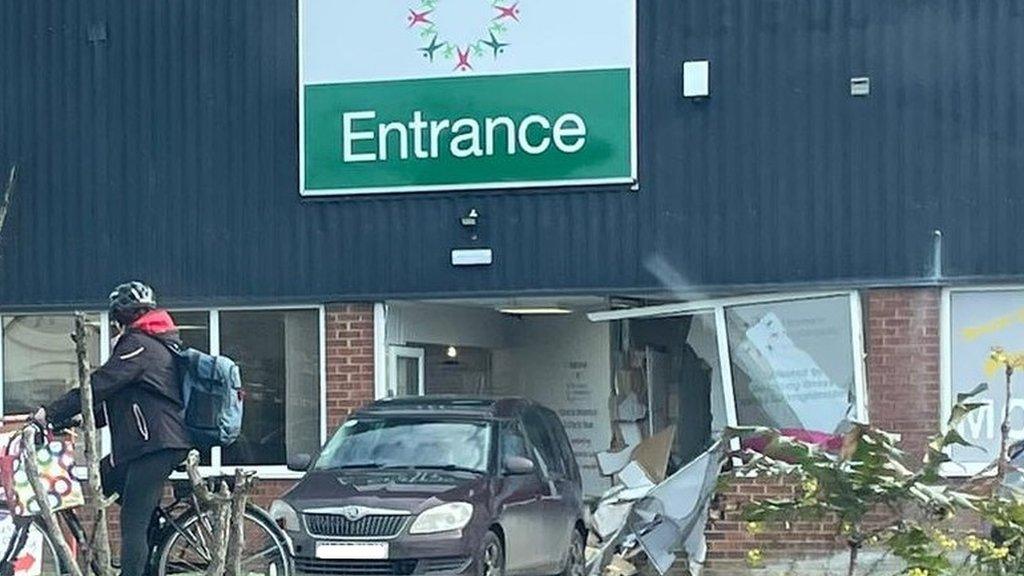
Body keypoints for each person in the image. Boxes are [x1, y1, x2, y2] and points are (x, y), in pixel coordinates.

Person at [34, 281, 192, 576]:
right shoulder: (154, 341)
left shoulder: (140, 344)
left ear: (120, 318)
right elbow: (122, 400)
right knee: (107, 478)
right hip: (148, 445)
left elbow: (100, 384)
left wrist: (48, 413)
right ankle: (152, 545)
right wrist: (79, 420)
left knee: (131, 524)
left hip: (155, 446)